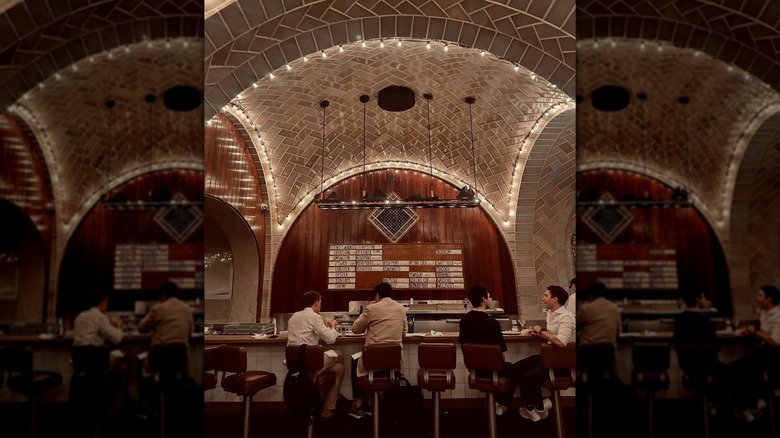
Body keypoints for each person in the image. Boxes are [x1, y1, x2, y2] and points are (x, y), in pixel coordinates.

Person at [514, 285, 575, 422]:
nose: (543, 299)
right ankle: (530, 407)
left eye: (546, 296)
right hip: (550, 357)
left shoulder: (567, 317)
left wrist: (541, 331)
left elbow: (560, 342)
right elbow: (553, 335)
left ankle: (540, 407)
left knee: (529, 377)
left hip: (562, 363)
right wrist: (537, 332)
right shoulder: (551, 314)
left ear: (555, 299)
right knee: (518, 368)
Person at [348, 282, 408, 418]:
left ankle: (359, 405)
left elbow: (355, 329)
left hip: (373, 363)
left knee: (354, 362)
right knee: (365, 363)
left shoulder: (372, 308)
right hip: (393, 365)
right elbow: (404, 332)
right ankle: (370, 403)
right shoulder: (401, 308)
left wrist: (368, 309)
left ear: (377, 296)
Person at [458, 282, 515, 416]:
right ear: (483, 299)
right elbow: (500, 353)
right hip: (494, 369)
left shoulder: (464, 320)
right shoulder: (493, 323)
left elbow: (464, 347)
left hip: (474, 370)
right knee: (518, 371)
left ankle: (498, 403)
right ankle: (502, 403)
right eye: (489, 296)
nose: (490, 299)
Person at [71, 291, 129, 421]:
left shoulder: (80, 316)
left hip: (79, 362)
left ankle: (112, 405)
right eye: (106, 303)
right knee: (125, 354)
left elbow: (92, 333)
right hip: (96, 361)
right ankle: (114, 410)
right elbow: (116, 339)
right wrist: (119, 327)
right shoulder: (100, 316)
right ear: (102, 303)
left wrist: (109, 326)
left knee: (123, 368)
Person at [725, 284, 780, 421]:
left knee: (737, 369)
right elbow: (763, 332)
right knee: (734, 369)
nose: (757, 299)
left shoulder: (778, 315)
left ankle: (750, 406)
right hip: (763, 355)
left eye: (760, 296)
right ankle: (751, 405)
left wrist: (755, 332)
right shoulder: (763, 313)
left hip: (774, 358)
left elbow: (775, 342)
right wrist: (749, 331)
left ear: (769, 299)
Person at [287, 290, 345, 418]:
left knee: (339, 369)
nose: (320, 305)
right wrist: (333, 327)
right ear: (315, 303)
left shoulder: (294, 316)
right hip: (309, 364)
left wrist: (324, 327)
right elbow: (330, 339)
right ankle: (325, 404)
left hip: (294, 364)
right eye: (320, 302)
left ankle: (328, 408)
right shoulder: (314, 316)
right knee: (340, 354)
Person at [578, 281, 621, 346]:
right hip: (609, 350)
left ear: (591, 295)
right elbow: (618, 332)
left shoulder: (586, 308)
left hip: (588, 350)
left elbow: (576, 326)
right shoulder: (614, 308)